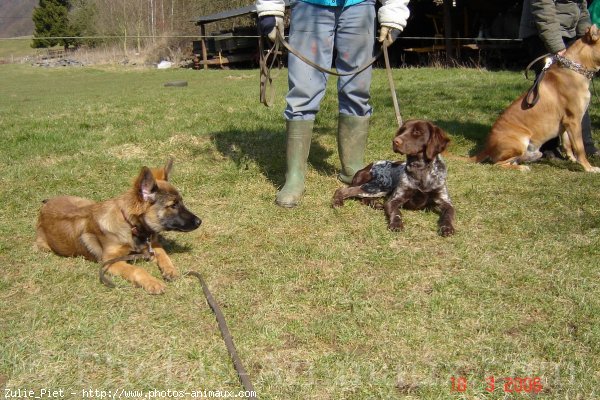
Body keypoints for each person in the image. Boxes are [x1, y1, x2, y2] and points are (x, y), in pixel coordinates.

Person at [256, 0, 411, 208]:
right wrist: (270, 9)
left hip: (359, 7)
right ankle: (294, 176)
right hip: (309, 6)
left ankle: (353, 169)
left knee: (357, 91)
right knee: (302, 91)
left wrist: (394, 12)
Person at [519, 0, 600, 159]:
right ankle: (547, 147)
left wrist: (587, 30)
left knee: (577, 90)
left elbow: (581, 7)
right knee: (549, 90)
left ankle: (585, 145)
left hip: (569, 31)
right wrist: (557, 47)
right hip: (541, 32)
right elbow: (543, 11)